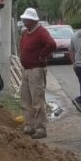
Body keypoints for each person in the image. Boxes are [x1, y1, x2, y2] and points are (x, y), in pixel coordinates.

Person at [17, 8, 56, 139]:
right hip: (27, 69)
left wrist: (42, 55)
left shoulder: (41, 32)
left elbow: (51, 44)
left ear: (33, 20)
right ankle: (29, 125)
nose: (24, 21)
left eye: (26, 20)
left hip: (36, 69)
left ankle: (40, 128)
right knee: (25, 98)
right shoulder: (25, 32)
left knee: (37, 99)